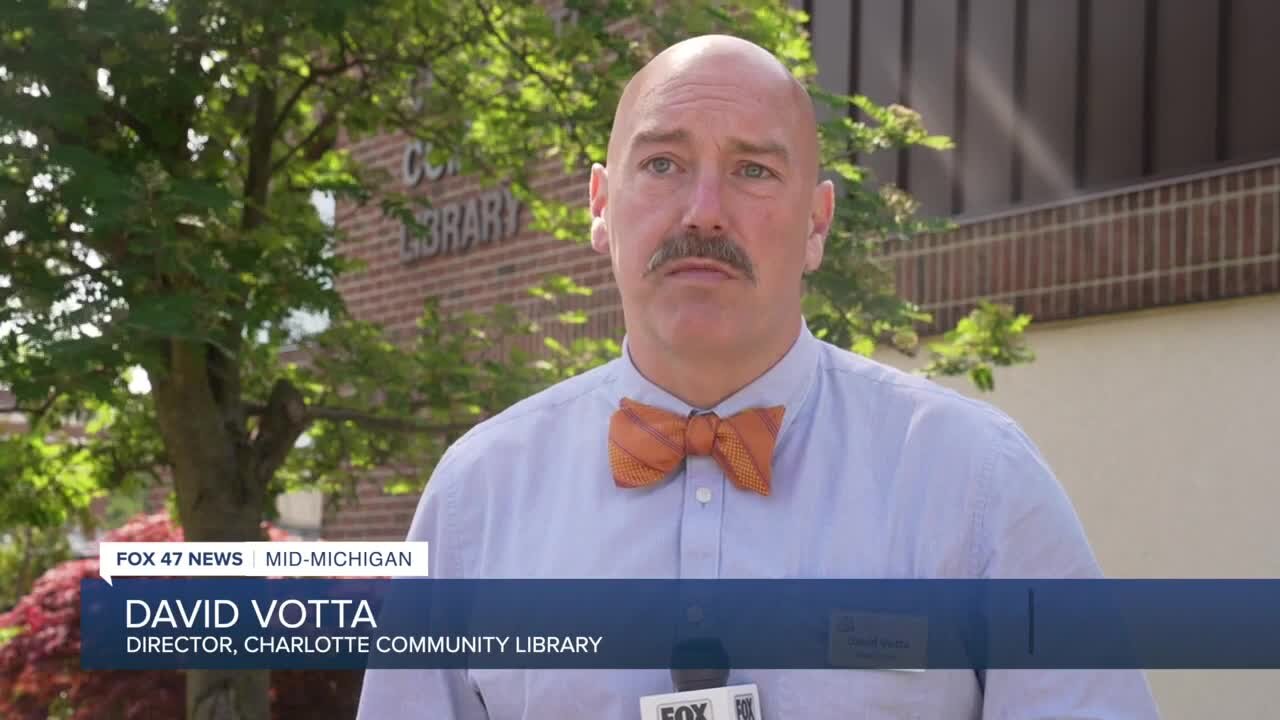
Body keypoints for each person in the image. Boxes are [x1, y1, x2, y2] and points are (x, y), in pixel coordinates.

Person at [357, 34, 1160, 718]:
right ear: (601, 206)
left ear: (816, 224)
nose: (704, 210)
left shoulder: (974, 479)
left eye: (753, 171)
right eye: (663, 162)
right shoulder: (477, 496)